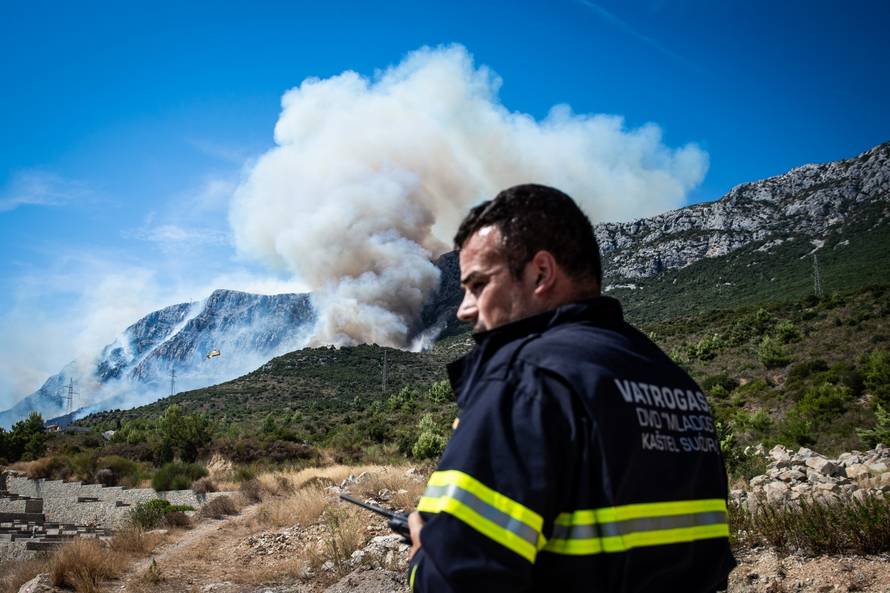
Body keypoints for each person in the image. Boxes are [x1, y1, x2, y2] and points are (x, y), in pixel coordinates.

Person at [405, 184, 736, 592]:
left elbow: (457, 580)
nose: (464, 310)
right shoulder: (676, 383)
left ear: (541, 273)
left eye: (477, 285)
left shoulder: (525, 380)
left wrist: (425, 552)